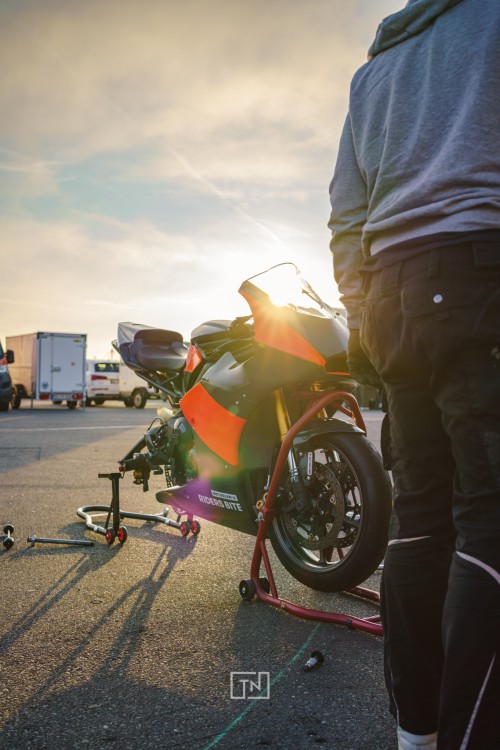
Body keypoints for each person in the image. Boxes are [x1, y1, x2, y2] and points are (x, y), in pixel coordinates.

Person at [328, 1, 500, 749]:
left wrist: (363, 311)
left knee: (422, 515)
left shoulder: (375, 72)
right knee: (490, 517)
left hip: (392, 295)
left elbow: (346, 213)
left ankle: (416, 733)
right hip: (482, 271)